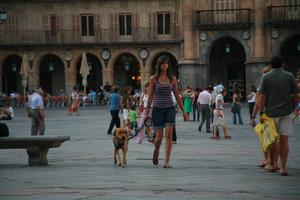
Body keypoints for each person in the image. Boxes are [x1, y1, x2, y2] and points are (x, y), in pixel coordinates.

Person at [258, 56, 298, 176]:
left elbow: (262, 97)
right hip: (286, 112)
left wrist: (261, 112)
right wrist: (293, 107)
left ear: (271, 64)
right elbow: (296, 95)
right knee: (284, 140)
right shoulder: (289, 76)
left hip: (270, 113)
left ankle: (271, 164)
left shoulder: (266, 77)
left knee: (271, 140)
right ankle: (283, 167)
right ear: (282, 64)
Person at [146, 55, 187, 168]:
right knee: (159, 137)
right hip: (157, 109)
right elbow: (150, 96)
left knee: (169, 135)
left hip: (170, 108)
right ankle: (157, 151)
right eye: (162, 63)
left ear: (168, 65)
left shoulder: (173, 78)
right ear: (159, 65)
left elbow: (177, 95)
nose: (164, 65)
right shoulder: (153, 78)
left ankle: (167, 161)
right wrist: (147, 111)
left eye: (166, 63)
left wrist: (184, 110)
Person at [251, 65, 272, 170]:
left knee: (265, 138)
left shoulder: (262, 86)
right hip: (280, 113)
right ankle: (275, 162)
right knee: (277, 139)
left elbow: (258, 103)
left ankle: (267, 160)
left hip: (266, 115)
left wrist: (254, 116)